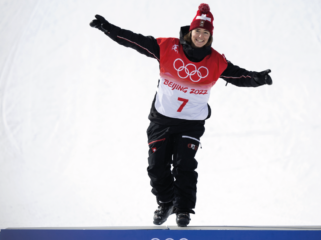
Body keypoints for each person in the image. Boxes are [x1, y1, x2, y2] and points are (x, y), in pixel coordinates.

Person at [90, 3, 272, 227]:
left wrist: (258, 79)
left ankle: (183, 209)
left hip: (191, 123)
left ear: (210, 35)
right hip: (162, 119)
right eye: (198, 31)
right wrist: (109, 29)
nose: (201, 36)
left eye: (206, 33)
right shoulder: (168, 47)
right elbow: (135, 41)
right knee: (157, 166)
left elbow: (239, 76)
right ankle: (166, 202)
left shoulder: (216, 61)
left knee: (184, 165)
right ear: (190, 31)